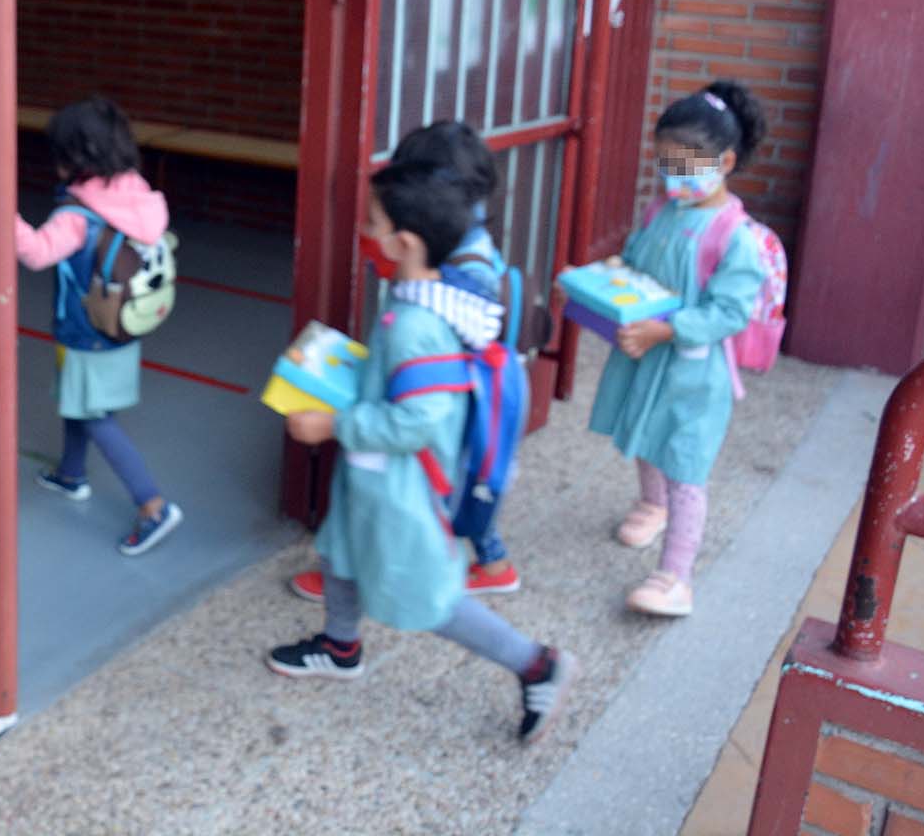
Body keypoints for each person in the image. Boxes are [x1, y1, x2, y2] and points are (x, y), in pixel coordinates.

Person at [268, 161, 576, 743]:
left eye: (373, 222)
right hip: (372, 477)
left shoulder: (416, 322)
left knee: (430, 597)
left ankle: (537, 664)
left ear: (404, 242)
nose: (365, 230)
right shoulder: (420, 299)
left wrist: (332, 422)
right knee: (339, 551)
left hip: (402, 490)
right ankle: (340, 647)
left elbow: (415, 421)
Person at [290, 120, 521, 603]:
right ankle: (485, 560)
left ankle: (378, 579)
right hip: (446, 391)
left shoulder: (456, 269)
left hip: (450, 397)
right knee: (451, 483)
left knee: (437, 489)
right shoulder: (458, 237)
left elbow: (446, 345)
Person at [590, 80, 767, 617]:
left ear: (725, 161)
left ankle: (676, 576)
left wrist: (666, 330)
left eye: (685, 165)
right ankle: (652, 503)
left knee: (685, 463)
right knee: (646, 435)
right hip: (648, 357)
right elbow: (640, 260)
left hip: (693, 370)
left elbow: (730, 312)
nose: (672, 177)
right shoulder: (660, 210)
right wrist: (617, 273)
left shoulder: (736, 236)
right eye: (664, 163)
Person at [15, 98, 183, 556]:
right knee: (81, 401)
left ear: (74, 157)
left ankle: (152, 506)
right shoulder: (137, 194)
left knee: (94, 415)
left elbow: (35, 253)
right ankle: (72, 476)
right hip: (122, 325)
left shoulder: (78, 216)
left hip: (85, 330)